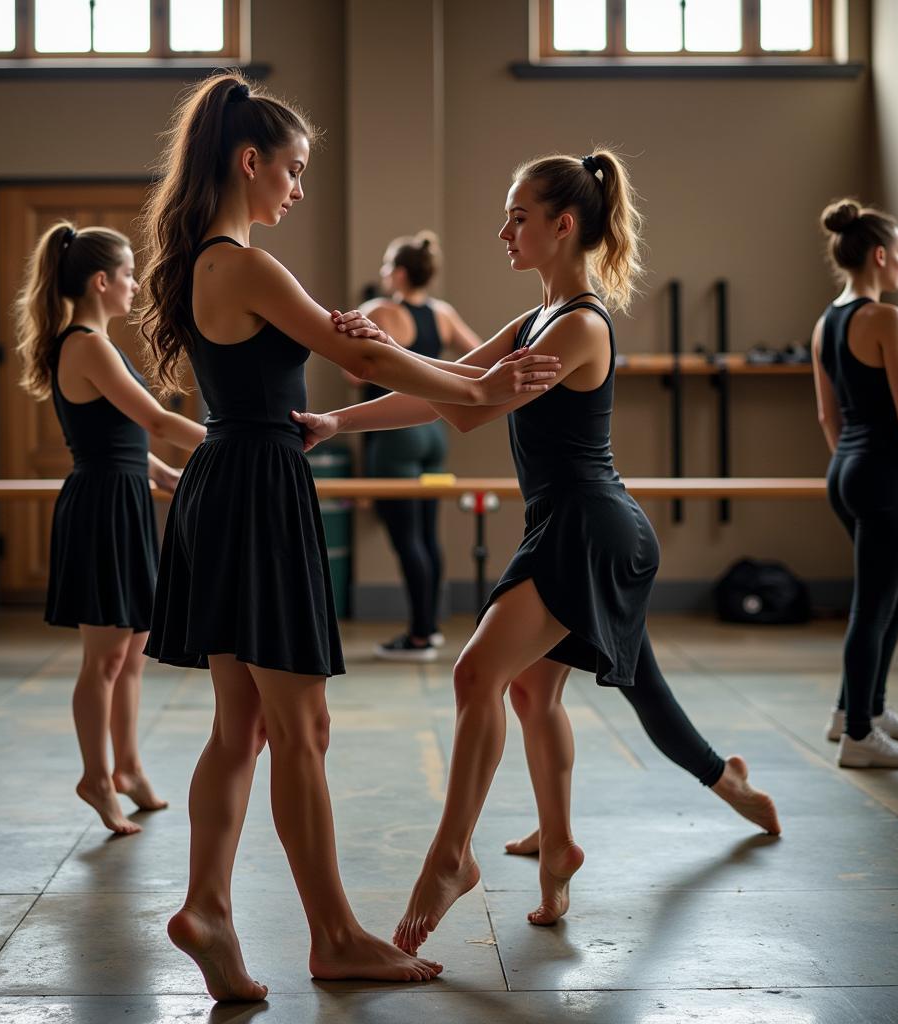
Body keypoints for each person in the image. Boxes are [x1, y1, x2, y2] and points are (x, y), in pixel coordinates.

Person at [136, 73, 560, 1001]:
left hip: (228, 482)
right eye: (291, 170)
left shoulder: (213, 262)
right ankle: (333, 935)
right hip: (254, 488)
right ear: (249, 162)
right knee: (300, 728)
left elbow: (350, 343)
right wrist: (479, 392)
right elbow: (363, 358)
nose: (296, 188)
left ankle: (208, 905)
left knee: (241, 729)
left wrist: (459, 378)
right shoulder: (242, 262)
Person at [294, 150, 779, 948]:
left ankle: (451, 857)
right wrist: (338, 422)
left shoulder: (582, 326)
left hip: (592, 527)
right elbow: (447, 390)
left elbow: (476, 406)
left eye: (518, 217)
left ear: (564, 225)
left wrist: (379, 341)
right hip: (567, 525)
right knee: (534, 695)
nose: (503, 231)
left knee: (479, 674)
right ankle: (569, 845)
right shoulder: (537, 322)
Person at [14, 221, 206, 835]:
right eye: (127, 275)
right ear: (102, 281)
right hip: (100, 507)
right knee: (102, 659)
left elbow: (119, 435)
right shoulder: (87, 344)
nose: (134, 285)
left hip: (123, 495)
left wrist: (161, 476)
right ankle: (96, 777)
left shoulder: (96, 342)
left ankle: (127, 766)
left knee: (130, 653)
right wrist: (231, 443)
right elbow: (151, 418)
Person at [811, 198, 898, 768]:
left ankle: (858, 709)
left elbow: (828, 416)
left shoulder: (827, 321)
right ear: (877, 254)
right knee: (873, 606)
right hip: (883, 475)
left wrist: (852, 463)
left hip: (846, 469)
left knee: (889, 596)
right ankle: (860, 737)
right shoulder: (885, 318)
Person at [359, 232, 481, 661]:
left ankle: (418, 637)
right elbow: (481, 358)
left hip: (398, 432)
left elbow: (354, 374)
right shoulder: (442, 314)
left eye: (387, 266)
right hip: (435, 431)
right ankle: (429, 628)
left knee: (406, 536)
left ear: (401, 272)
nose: (382, 273)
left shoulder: (380, 311)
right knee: (427, 534)